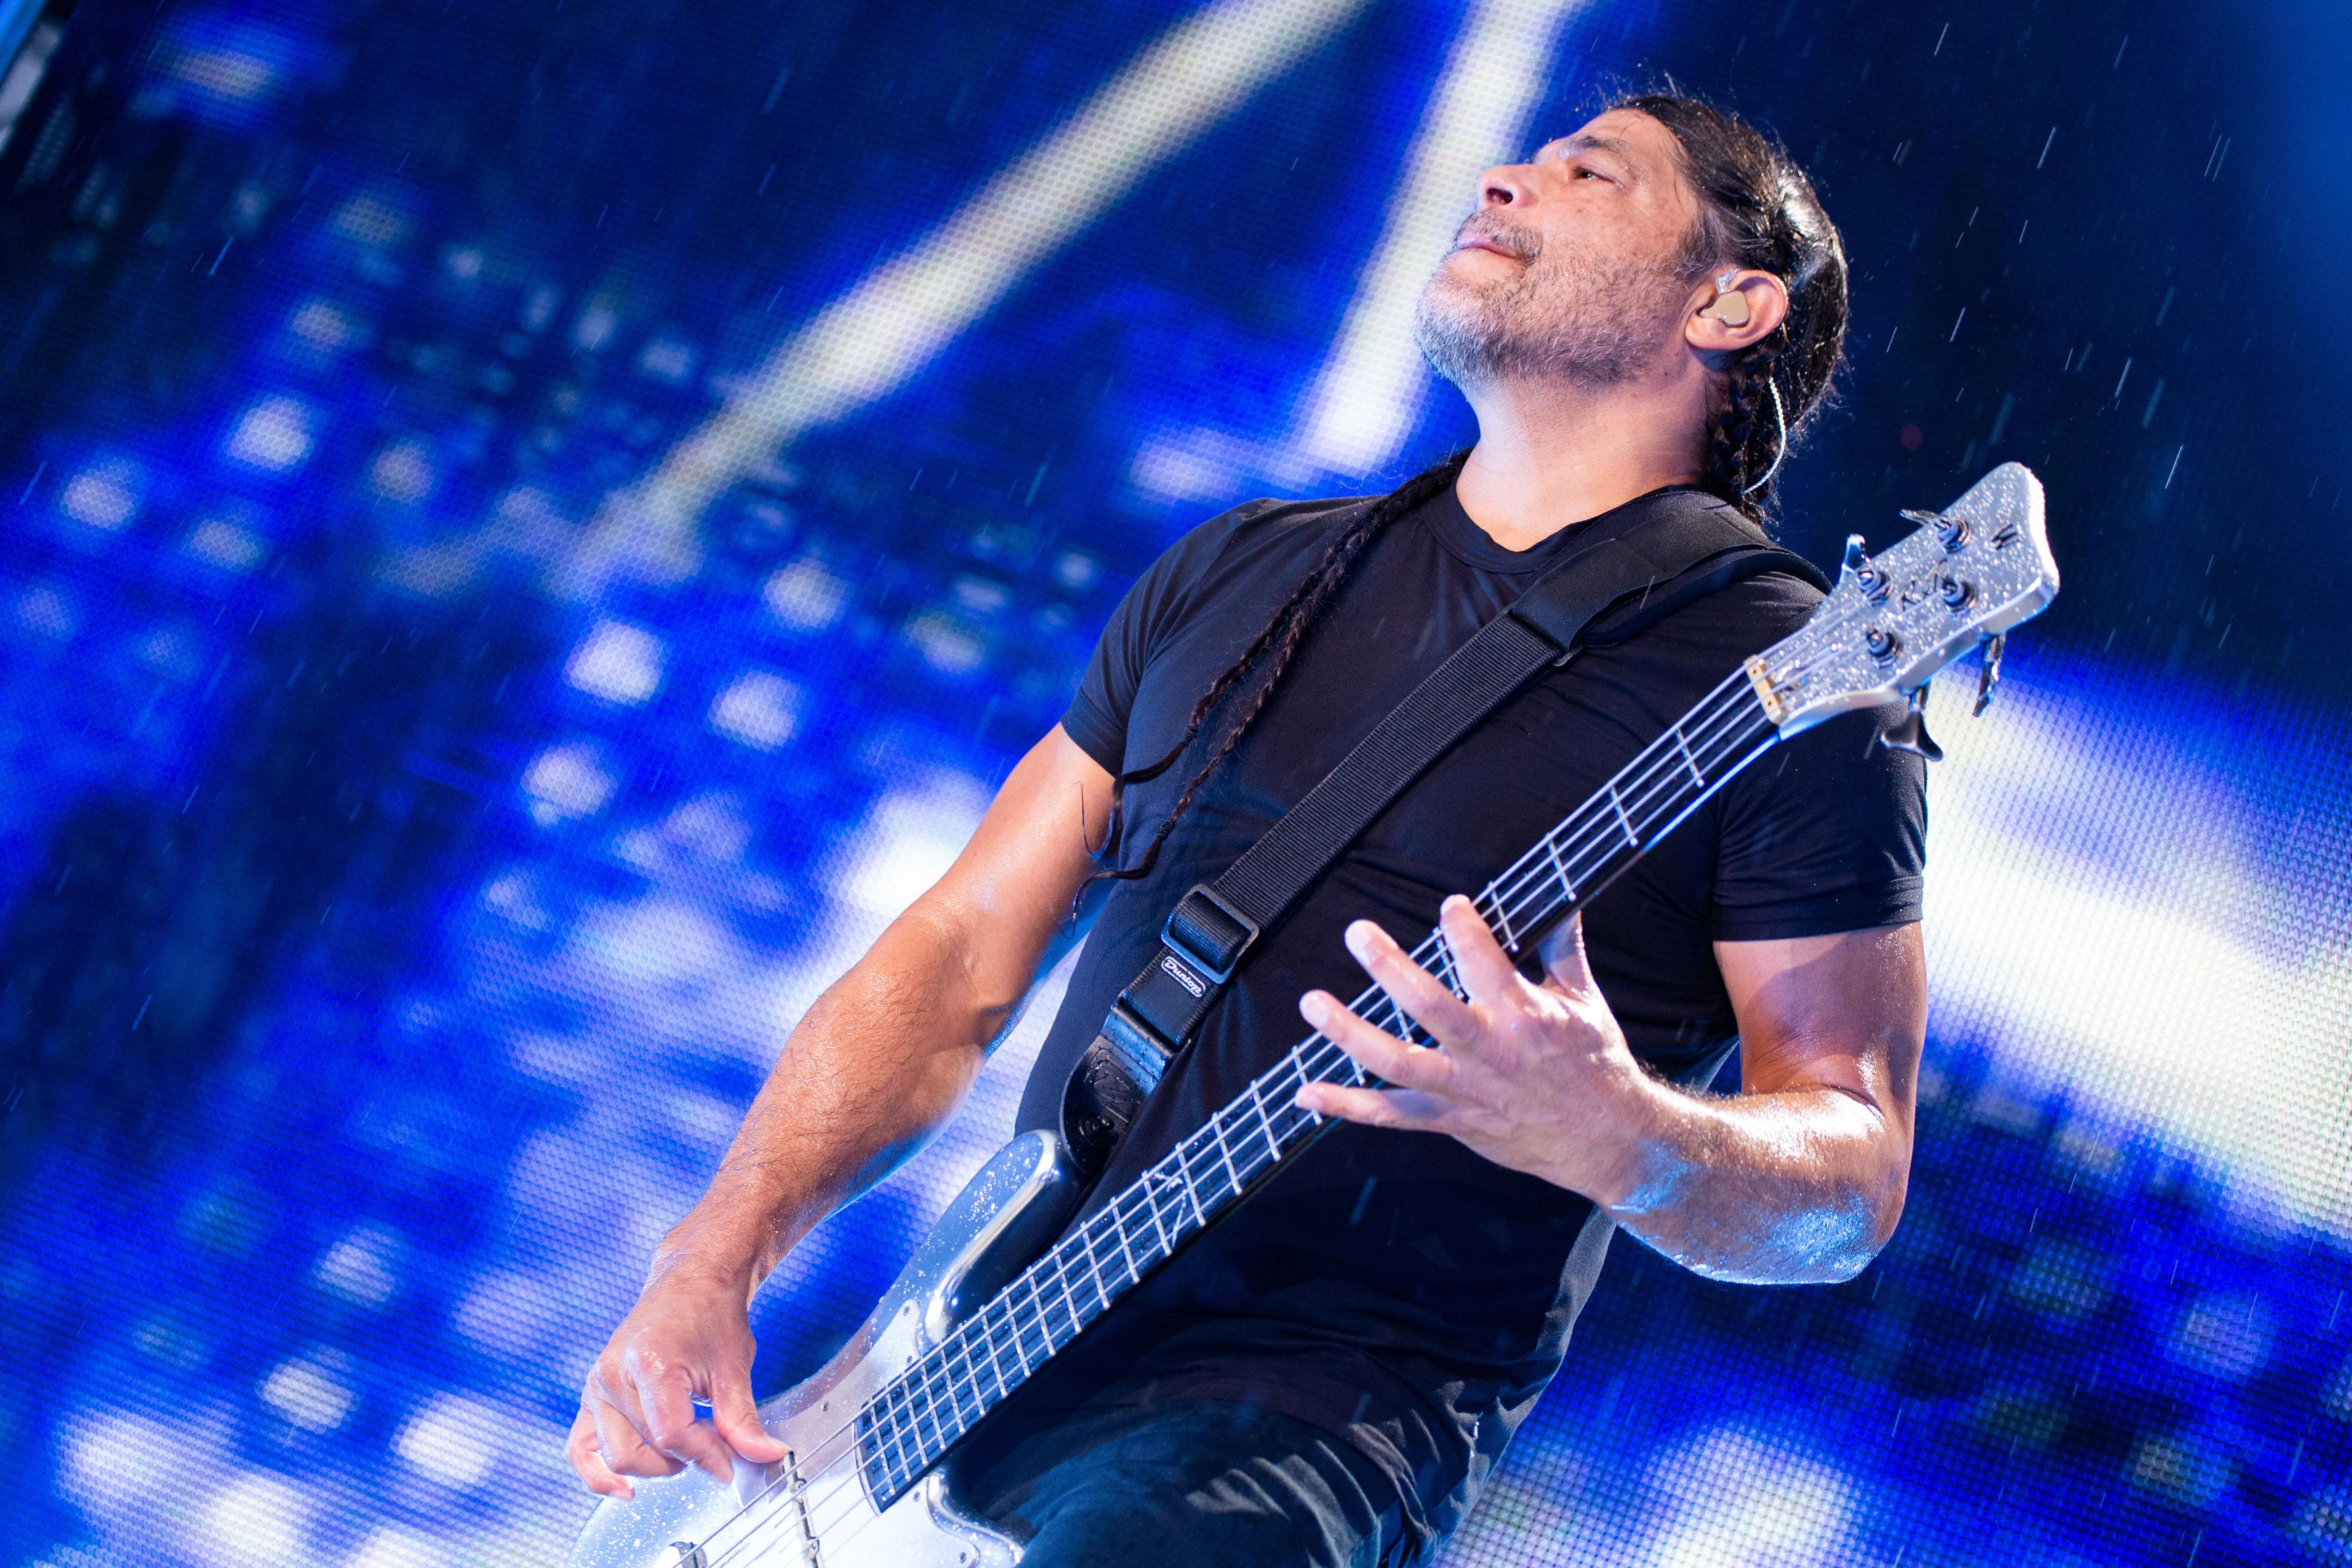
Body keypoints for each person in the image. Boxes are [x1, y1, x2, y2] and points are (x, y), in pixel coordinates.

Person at [565, 92, 1927, 1567]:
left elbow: (1851, 1177)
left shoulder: (1788, 678)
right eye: (1524, 158)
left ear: (1729, 304)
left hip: (1295, 1431)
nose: (1503, 178)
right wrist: (713, 1257)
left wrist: (1631, 1137)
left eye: (1587, 173)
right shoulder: (1246, 569)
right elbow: (959, 950)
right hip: (957, 1383)